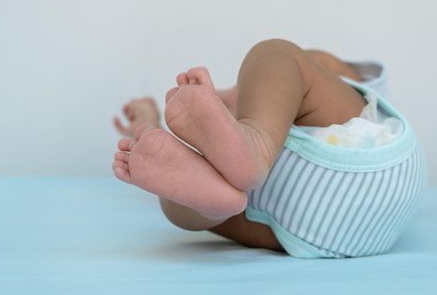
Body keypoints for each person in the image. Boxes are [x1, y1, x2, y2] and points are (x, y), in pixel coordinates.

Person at [112, 39, 425, 258]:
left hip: (356, 172)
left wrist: (162, 121)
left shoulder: (340, 86)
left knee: (274, 54)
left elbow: (232, 100)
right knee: (185, 191)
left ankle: (214, 207)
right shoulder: (227, 134)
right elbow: (207, 118)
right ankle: (214, 206)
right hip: (339, 234)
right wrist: (157, 126)